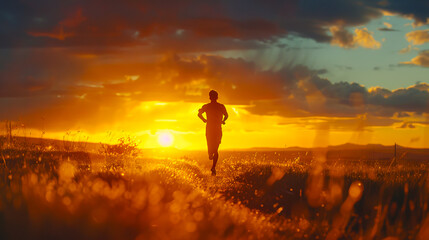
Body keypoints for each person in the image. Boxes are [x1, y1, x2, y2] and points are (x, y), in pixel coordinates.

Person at [198, 90, 228, 176]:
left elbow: (226, 116)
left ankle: (213, 167)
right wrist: (223, 120)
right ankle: (211, 159)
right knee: (212, 151)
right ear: (215, 97)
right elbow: (226, 116)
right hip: (212, 129)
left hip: (215, 129)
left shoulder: (218, 106)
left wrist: (204, 119)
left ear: (210, 97)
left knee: (215, 149)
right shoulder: (208, 106)